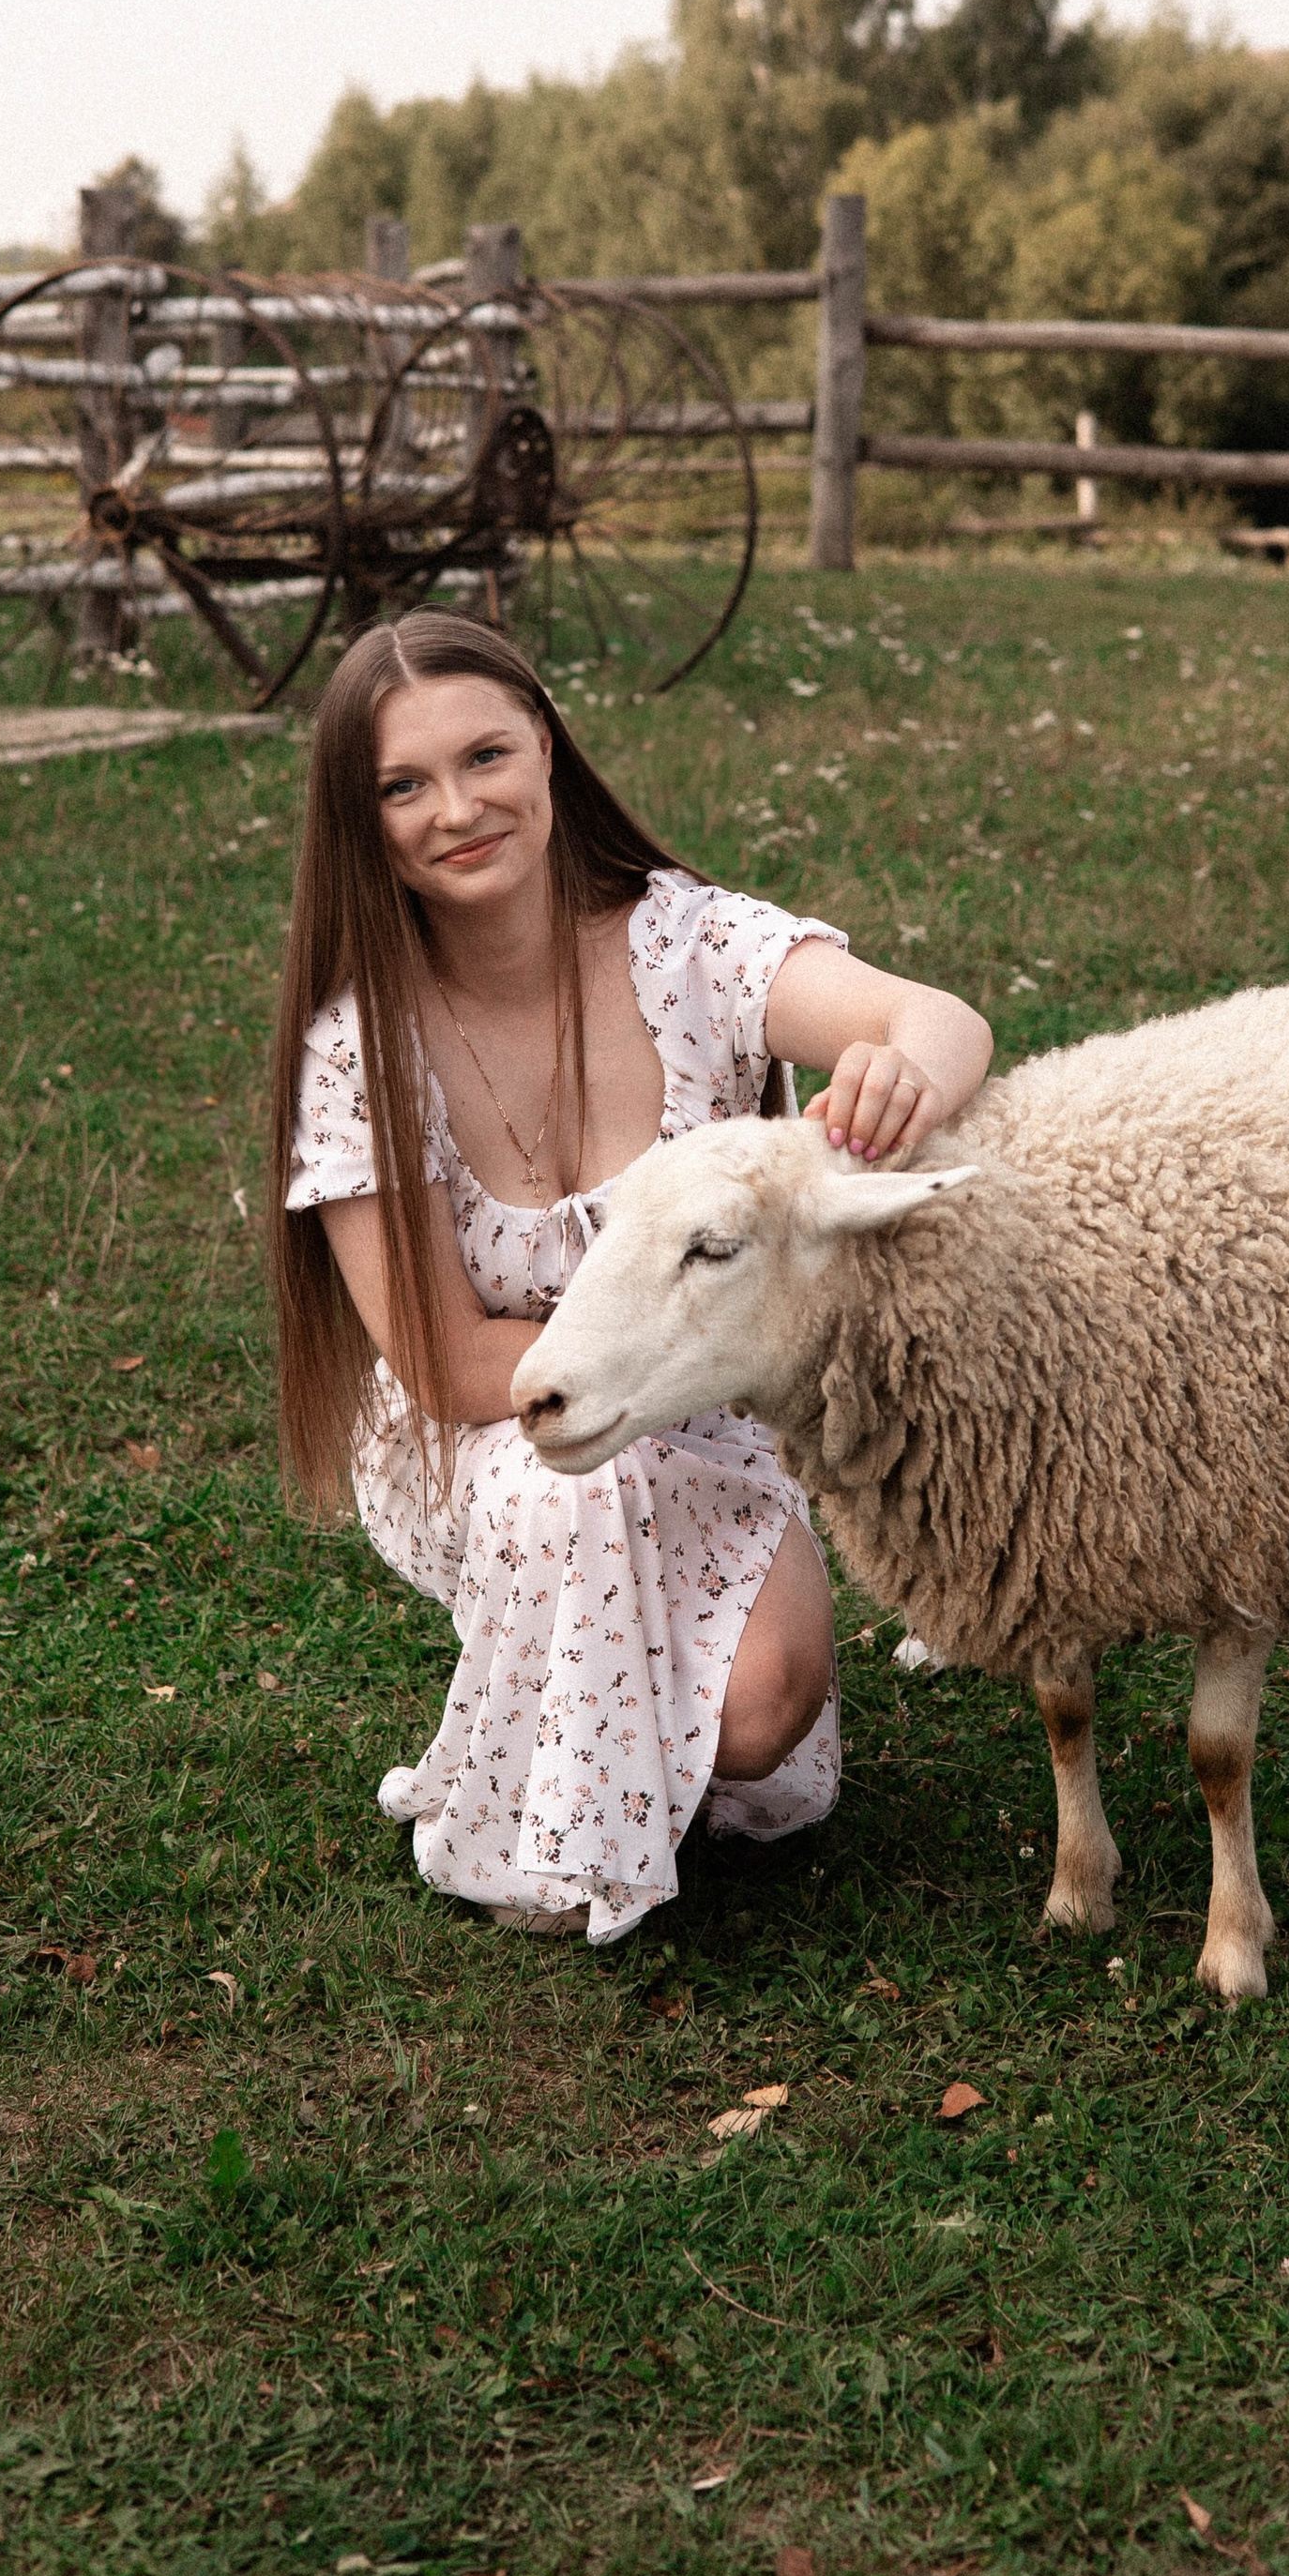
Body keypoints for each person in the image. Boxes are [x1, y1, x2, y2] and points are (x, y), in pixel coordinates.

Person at [270, 610, 993, 1944]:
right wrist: (616, 1398)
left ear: (545, 746)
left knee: (762, 1719)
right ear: (359, 819)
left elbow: (938, 1017)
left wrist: (909, 1070)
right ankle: (538, 1852)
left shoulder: (690, 947)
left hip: (703, 1398)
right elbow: (442, 1360)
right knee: (576, 1498)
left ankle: (567, 1740)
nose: (458, 809)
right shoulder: (358, 1045)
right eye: (403, 786)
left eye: (486, 755)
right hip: (489, 1419)